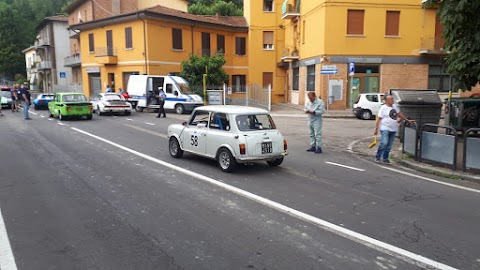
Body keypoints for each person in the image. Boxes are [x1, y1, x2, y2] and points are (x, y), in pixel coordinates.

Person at [374, 94, 414, 163]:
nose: (393, 100)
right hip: (385, 128)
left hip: (393, 128)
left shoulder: (394, 107)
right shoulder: (383, 108)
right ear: (387, 101)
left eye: (393, 99)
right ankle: (378, 156)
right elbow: (379, 118)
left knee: (389, 145)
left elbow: (399, 114)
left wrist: (406, 120)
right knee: (384, 142)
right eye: (391, 99)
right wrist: (376, 128)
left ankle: (385, 158)